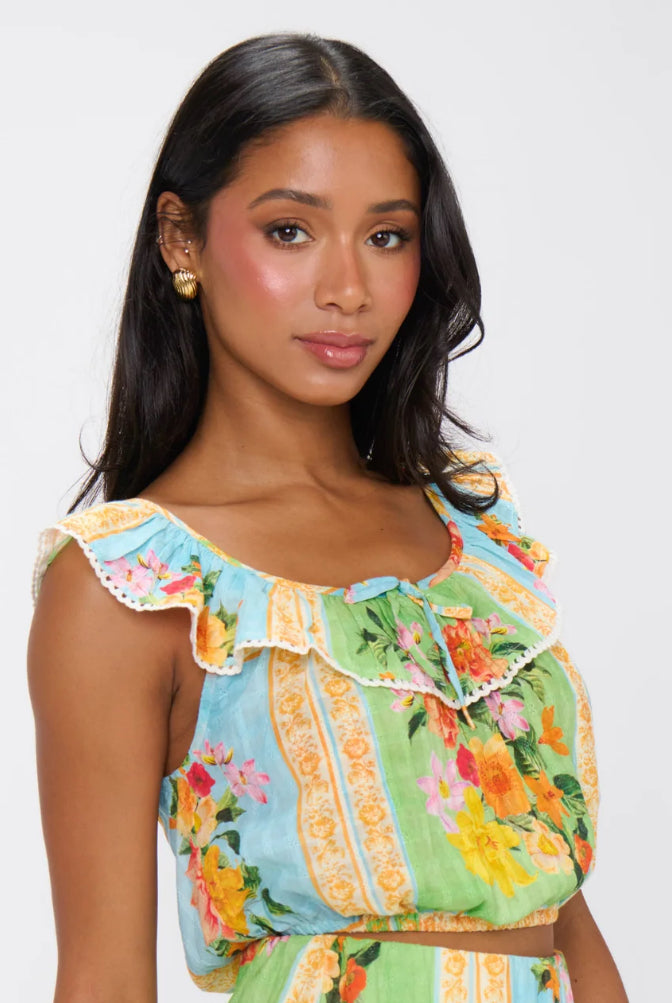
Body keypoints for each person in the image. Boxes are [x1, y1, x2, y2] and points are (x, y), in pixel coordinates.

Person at [28, 32, 628, 1003]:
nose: (348, 289)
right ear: (182, 240)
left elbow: (558, 909)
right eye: (290, 231)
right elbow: (101, 980)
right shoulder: (128, 589)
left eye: (386, 236)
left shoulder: (472, 531)